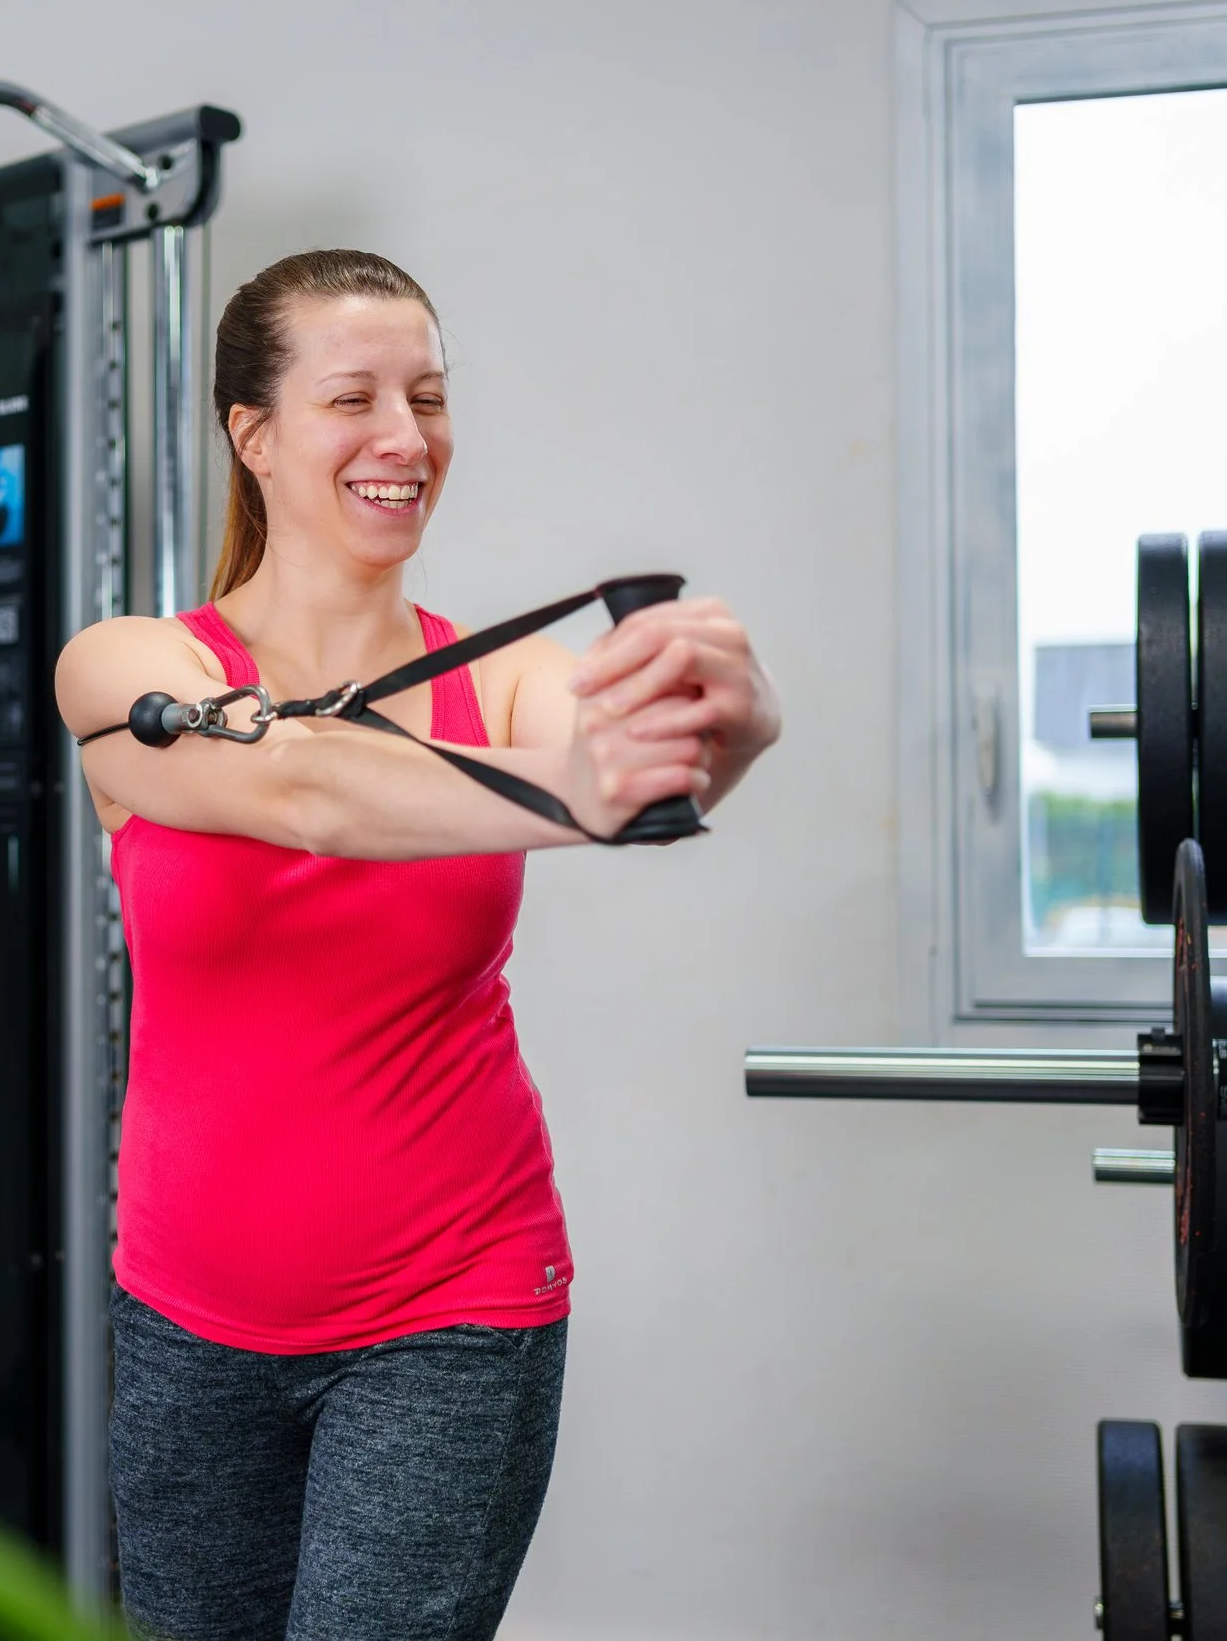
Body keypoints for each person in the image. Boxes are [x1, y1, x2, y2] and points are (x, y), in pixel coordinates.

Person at [56, 250, 781, 1640]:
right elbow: (298, 789)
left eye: (430, 396)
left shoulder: (505, 679)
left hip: (454, 1305)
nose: (407, 436)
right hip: (184, 1316)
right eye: (357, 398)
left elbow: (639, 762)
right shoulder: (132, 665)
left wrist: (721, 724)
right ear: (253, 435)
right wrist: (579, 793)